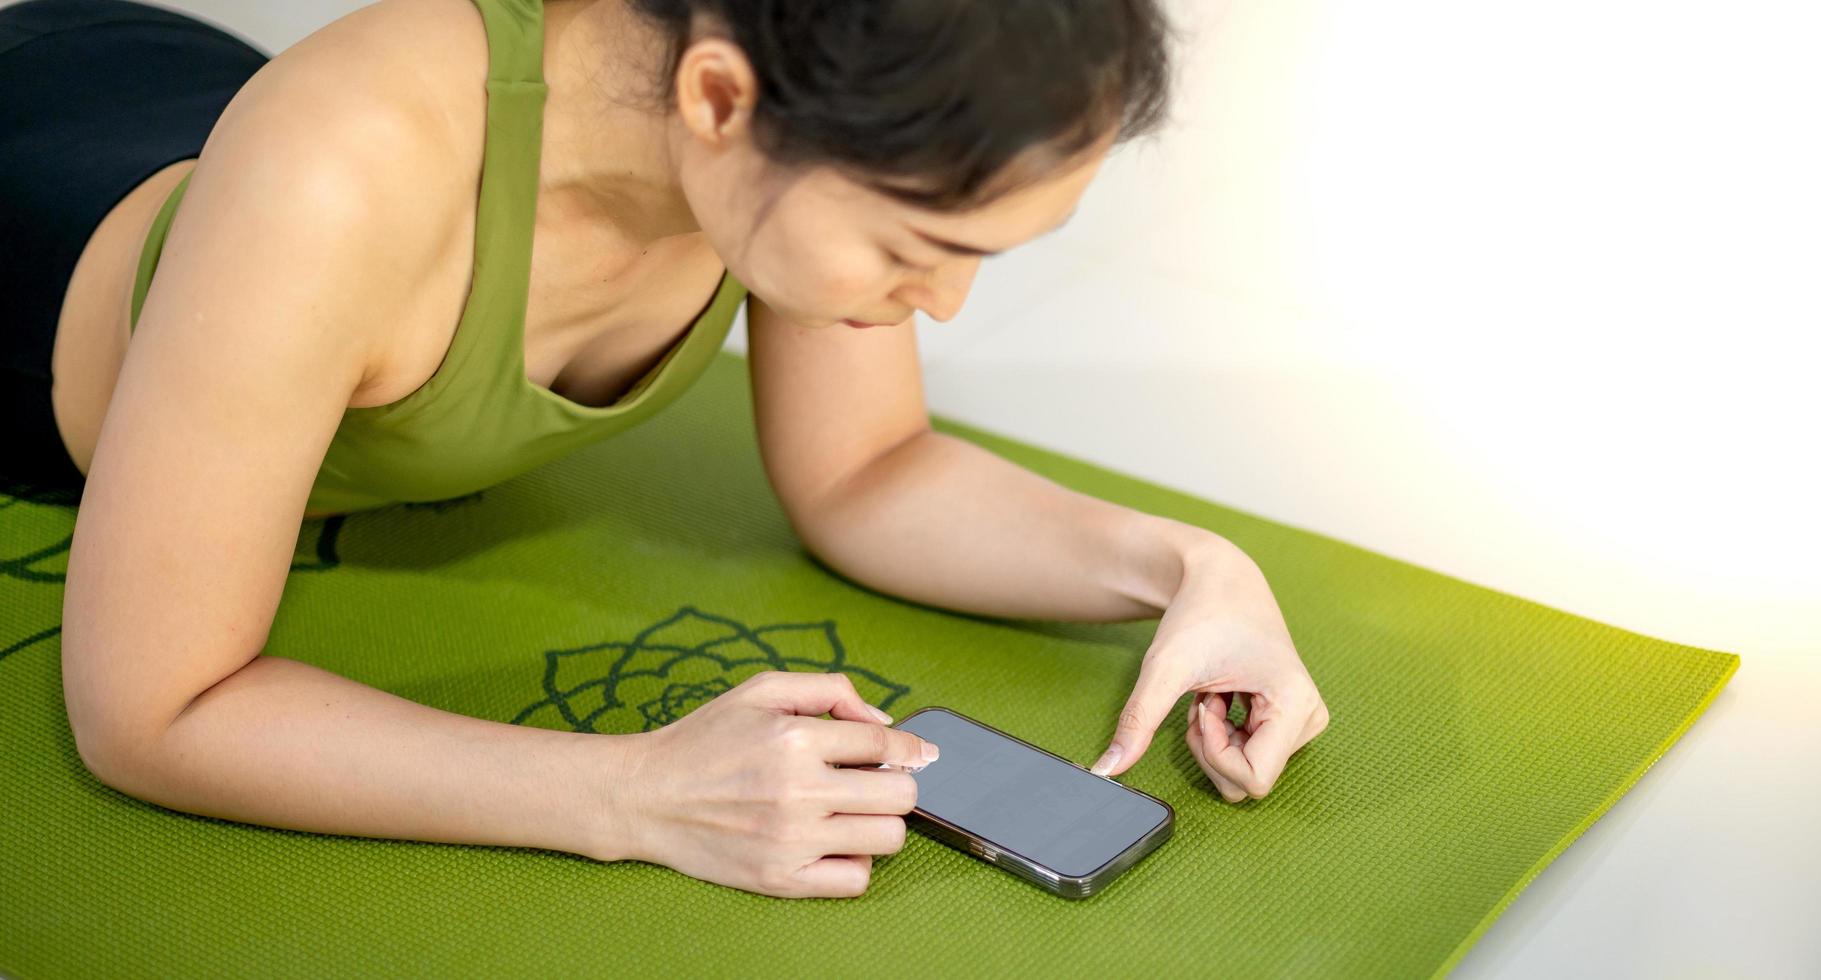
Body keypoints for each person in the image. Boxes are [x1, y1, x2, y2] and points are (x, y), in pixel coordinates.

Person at [0, 0, 1329, 899]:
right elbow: (154, 712)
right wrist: (631, 795)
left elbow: (865, 472)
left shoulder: (771, 85)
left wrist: (1184, 568)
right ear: (715, 98)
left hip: (171, 101)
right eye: (916, 252)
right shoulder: (346, 172)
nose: (943, 308)